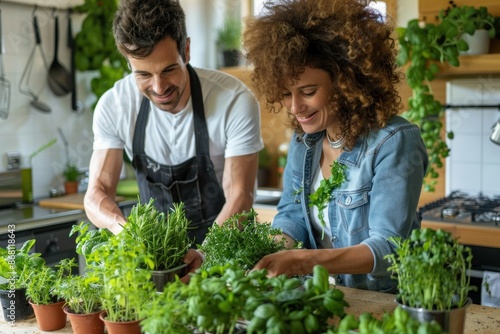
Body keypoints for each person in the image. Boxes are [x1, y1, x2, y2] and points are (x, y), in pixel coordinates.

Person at [240, 0, 429, 292]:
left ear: (345, 82)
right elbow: (292, 215)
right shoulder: (305, 141)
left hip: (386, 304)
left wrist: (301, 261)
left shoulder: (394, 141)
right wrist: (273, 254)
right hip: (330, 298)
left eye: (308, 92)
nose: (295, 107)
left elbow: (387, 247)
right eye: (286, 94)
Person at [84, 0, 264, 246]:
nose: (159, 88)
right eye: (144, 74)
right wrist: (127, 232)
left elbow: (240, 197)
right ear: (128, 62)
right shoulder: (115, 106)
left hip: (227, 255)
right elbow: (96, 194)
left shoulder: (233, 101)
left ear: (186, 50)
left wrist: (205, 256)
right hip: (157, 259)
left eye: (168, 70)